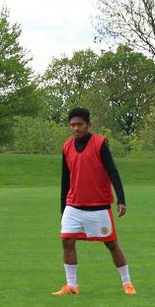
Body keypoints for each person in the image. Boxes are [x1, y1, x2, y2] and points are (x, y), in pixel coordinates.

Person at [52, 107, 135, 296]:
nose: (75, 128)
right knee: (66, 241)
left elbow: (113, 171)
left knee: (111, 244)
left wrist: (121, 199)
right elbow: (65, 179)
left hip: (99, 206)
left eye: (79, 124)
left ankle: (127, 283)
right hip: (73, 205)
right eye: (72, 125)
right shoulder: (66, 147)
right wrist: (63, 207)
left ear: (89, 125)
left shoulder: (99, 144)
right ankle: (72, 285)